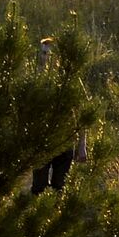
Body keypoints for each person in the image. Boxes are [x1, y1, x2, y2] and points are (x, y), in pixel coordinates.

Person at [31, 37, 88, 195]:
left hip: (65, 141)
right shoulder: (34, 81)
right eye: (43, 53)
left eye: (49, 54)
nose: (45, 58)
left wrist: (82, 145)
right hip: (41, 141)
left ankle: (57, 209)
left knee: (60, 186)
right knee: (39, 187)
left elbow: (82, 113)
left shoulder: (69, 80)